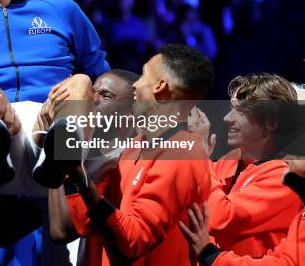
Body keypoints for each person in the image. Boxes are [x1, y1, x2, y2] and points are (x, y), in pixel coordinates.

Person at [39, 44, 214, 265]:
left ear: (160, 86)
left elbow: (133, 242)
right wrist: (65, 157)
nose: (136, 86)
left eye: (143, 75)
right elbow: (81, 222)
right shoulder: (134, 148)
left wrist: (78, 175)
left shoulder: (182, 154)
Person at [47, 69, 140, 266]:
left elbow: (61, 229)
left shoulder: (124, 163)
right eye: (92, 93)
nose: (93, 100)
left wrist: (59, 141)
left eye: (106, 95)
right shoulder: (89, 154)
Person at [204, 74, 301, 257]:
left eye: (239, 112)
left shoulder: (285, 177)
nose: (227, 118)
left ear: (270, 123)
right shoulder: (232, 159)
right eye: (231, 109)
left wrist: (201, 160)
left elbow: (216, 218)